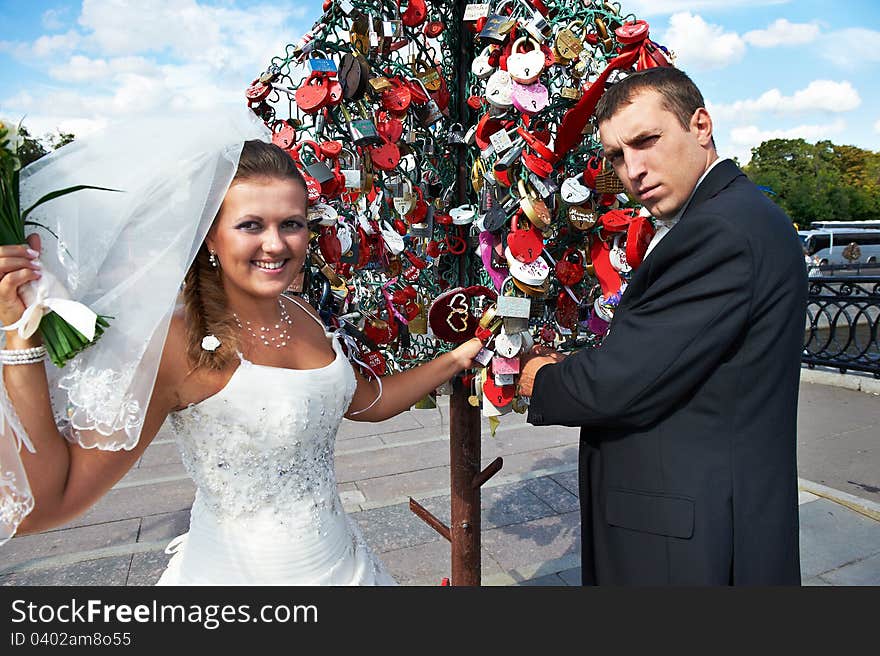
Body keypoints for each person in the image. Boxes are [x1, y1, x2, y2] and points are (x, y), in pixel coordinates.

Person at [0, 108, 483, 585]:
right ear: (210, 234)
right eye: (251, 225)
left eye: (291, 223)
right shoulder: (177, 342)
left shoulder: (305, 314)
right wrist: (18, 340)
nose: (275, 244)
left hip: (347, 566)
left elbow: (366, 401)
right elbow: (46, 504)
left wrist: (458, 357)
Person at [518, 67, 807, 585]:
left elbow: (619, 382)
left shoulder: (717, 230)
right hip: (713, 514)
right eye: (615, 156)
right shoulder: (739, 213)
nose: (633, 169)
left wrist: (540, 378)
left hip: (689, 541)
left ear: (700, 126)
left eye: (646, 141)